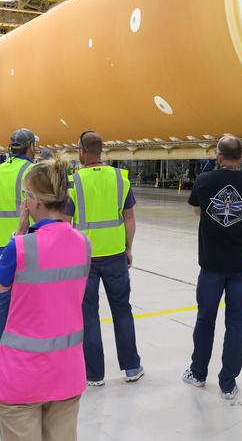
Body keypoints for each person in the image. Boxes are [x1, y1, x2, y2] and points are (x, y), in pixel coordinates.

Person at [0, 155, 89, 441]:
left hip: (22, 374)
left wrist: (19, 232)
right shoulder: (84, 244)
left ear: (33, 201)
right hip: (67, 369)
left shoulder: (21, 247)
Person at [183, 135, 242, 399]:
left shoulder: (205, 181)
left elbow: (197, 211)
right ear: (241, 157)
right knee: (236, 323)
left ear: (218, 156)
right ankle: (228, 382)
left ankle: (198, 373)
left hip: (211, 264)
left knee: (205, 318)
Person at [70, 131, 143, 385]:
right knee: (122, 310)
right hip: (115, 256)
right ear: (102, 150)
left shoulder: (74, 182)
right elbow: (129, 217)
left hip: (84, 259)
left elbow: (67, 223)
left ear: (82, 151)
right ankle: (132, 367)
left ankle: (94, 374)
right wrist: (128, 248)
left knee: (88, 314)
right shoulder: (120, 178)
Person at [0, 128, 38, 350]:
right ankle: (27, 345)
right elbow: (38, 209)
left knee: (2, 295)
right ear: (31, 147)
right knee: (31, 296)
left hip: (2, 242)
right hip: (27, 243)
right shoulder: (33, 171)